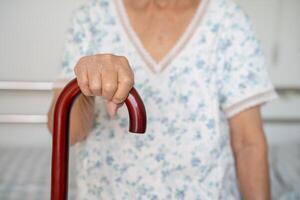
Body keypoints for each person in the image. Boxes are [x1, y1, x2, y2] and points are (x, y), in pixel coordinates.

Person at [47, 0, 278, 199]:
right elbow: (66, 133)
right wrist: (85, 86)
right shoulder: (92, 16)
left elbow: (248, 143)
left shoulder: (227, 20)